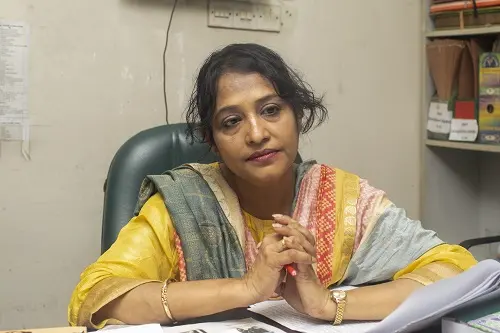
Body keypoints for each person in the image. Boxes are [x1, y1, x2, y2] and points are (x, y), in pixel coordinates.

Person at [68, 43, 477, 329]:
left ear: (297, 116)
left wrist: (326, 304)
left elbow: (458, 271)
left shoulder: (343, 200)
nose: (257, 133)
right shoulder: (181, 206)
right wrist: (246, 287)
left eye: (270, 110)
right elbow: (96, 297)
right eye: (231, 122)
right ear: (212, 142)